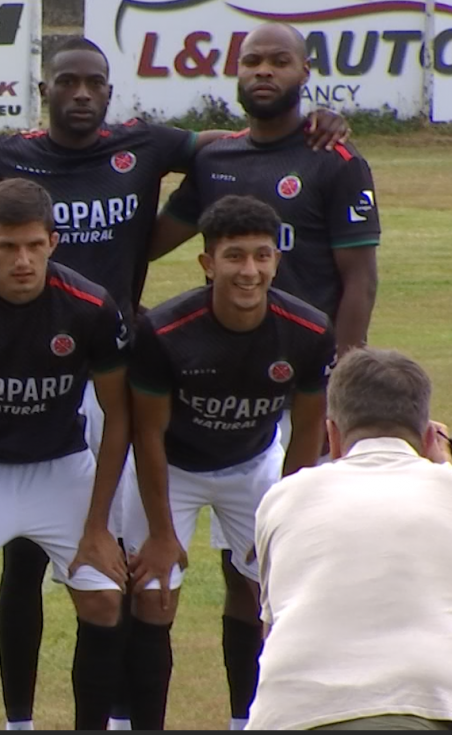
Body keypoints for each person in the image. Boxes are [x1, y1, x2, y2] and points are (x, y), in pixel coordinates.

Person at [0, 37, 349, 730]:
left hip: (87, 412)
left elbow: (228, 143)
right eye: (66, 81)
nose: (80, 93)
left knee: (110, 585)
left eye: (93, 82)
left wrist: (313, 126)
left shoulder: (141, 162)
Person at [149, 24, 381, 727]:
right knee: (172, 573)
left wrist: (344, 362)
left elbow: (359, 276)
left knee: (264, 566)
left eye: (279, 61)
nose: (263, 71)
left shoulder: (335, 158)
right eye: (252, 60)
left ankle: (251, 714)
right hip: (217, 372)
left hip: (301, 375)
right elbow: (157, 237)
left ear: (305, 72)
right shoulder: (218, 158)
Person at [0, 178, 129, 730]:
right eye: (8, 247)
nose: (23, 260)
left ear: (53, 241)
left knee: (104, 598)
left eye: (34, 245)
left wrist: (101, 526)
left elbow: (119, 415)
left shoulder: (90, 306)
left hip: (59, 463)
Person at [122, 194, 336, 729]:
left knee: (260, 589)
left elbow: (308, 429)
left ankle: (248, 720)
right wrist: (161, 532)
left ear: (276, 260)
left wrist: (287, 517)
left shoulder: (308, 331)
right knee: (153, 592)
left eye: (261, 256)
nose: (249, 270)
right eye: (235, 256)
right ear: (207, 263)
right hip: (171, 466)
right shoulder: (165, 332)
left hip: (252, 462)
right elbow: (147, 434)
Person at [247, 347, 452, 731]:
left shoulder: (284, 497)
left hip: (295, 712)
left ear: (333, 437)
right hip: (432, 704)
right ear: (428, 437)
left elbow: (272, 628)